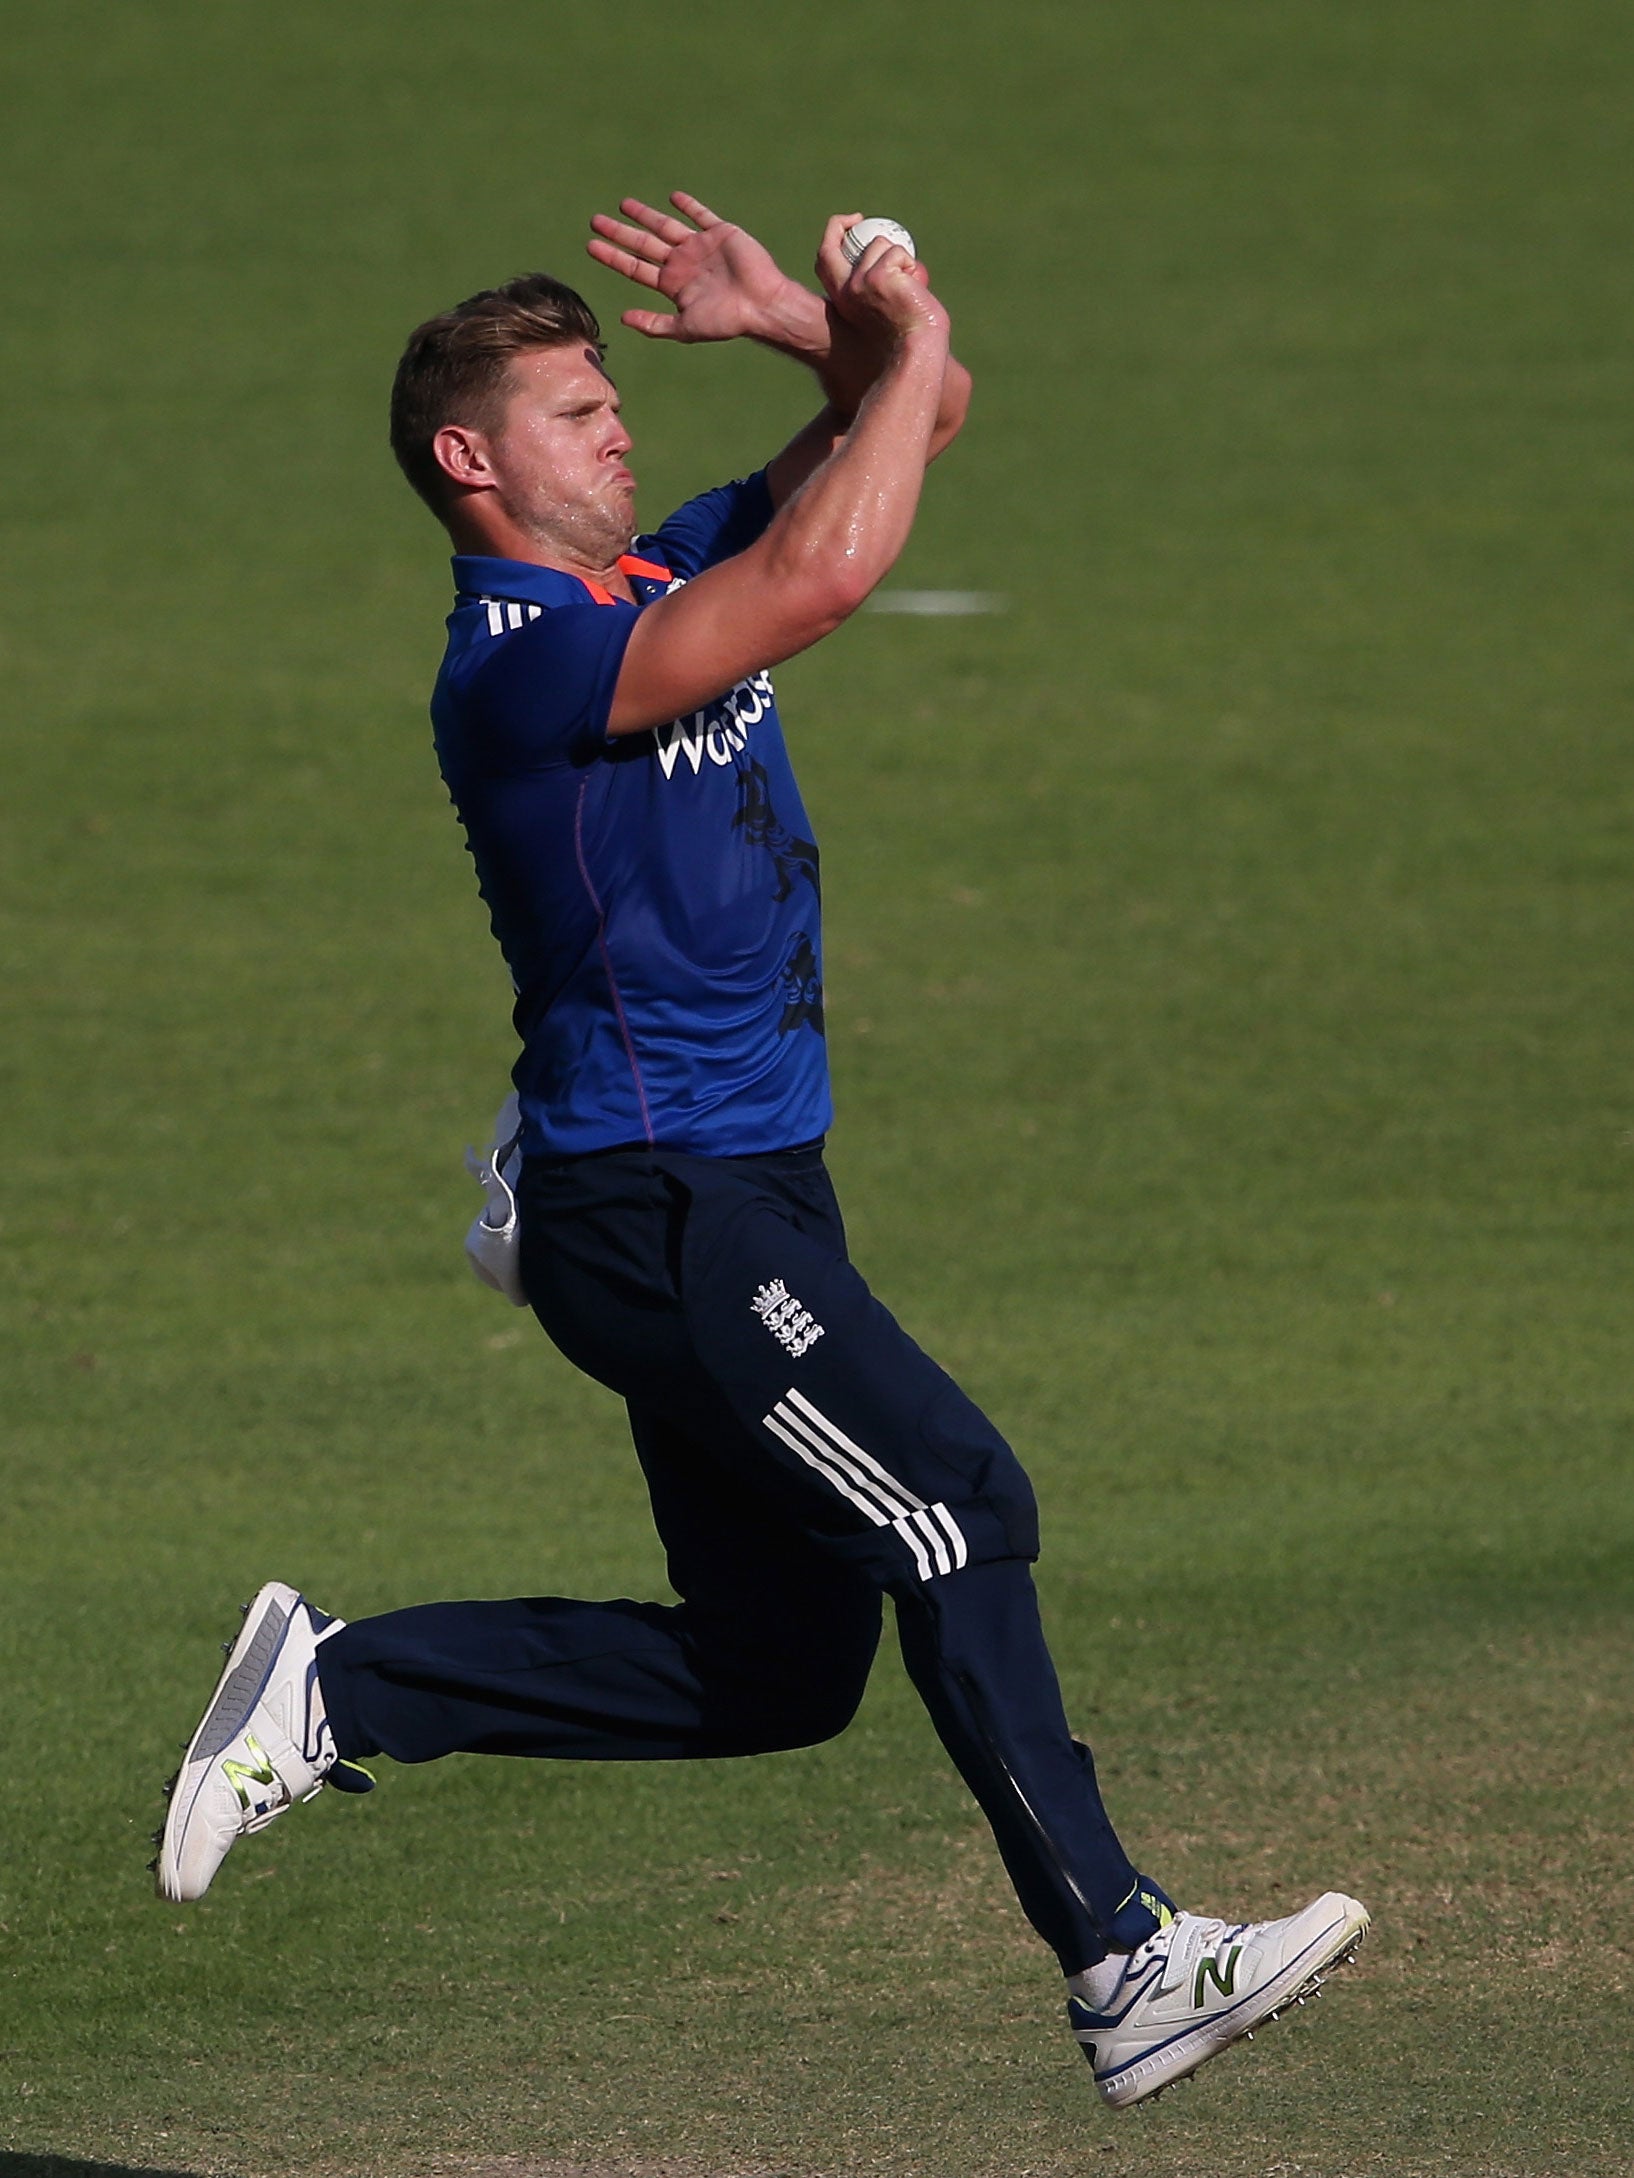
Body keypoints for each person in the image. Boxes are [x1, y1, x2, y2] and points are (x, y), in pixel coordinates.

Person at [152, 193, 1368, 2109]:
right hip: (663, 1208)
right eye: (574, 411)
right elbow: (825, 577)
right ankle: (1126, 1959)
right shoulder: (520, 666)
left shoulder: (646, 574)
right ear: (469, 460)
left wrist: (819, 324)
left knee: (777, 1674)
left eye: (614, 398)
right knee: (955, 1498)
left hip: (742, 1192)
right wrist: (907, 315)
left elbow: (926, 414)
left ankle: (345, 1687)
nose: (619, 429)